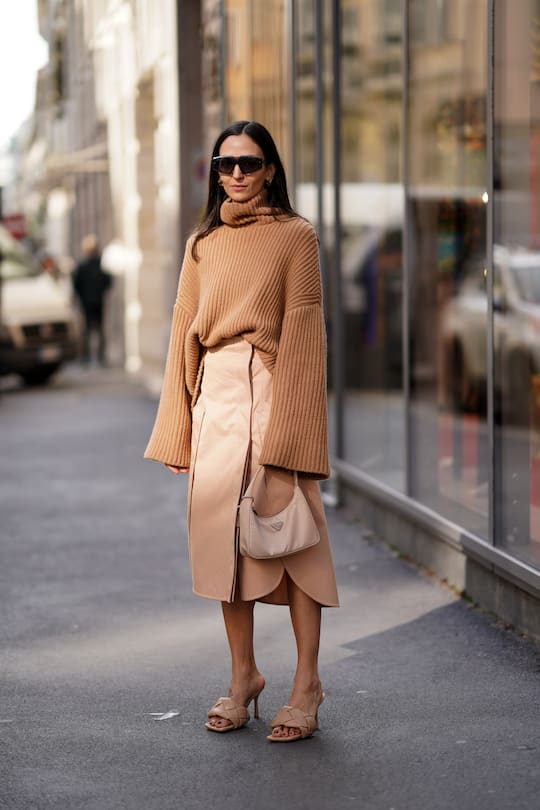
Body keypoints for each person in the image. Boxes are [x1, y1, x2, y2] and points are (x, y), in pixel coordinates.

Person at [144, 120, 339, 742]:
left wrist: (296, 437)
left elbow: (306, 336)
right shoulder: (201, 243)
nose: (235, 175)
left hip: (275, 391)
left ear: (270, 170)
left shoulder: (295, 237)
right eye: (224, 164)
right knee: (225, 545)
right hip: (217, 404)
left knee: (295, 540)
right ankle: (243, 677)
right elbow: (183, 335)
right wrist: (178, 430)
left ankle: (307, 684)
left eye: (248, 164)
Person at [72, 234, 112, 365]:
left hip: (87, 302)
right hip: (97, 301)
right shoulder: (100, 265)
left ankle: (87, 356)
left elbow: (76, 284)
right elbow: (108, 281)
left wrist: (82, 296)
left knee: (88, 329)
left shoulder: (83, 266)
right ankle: (99, 356)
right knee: (98, 328)